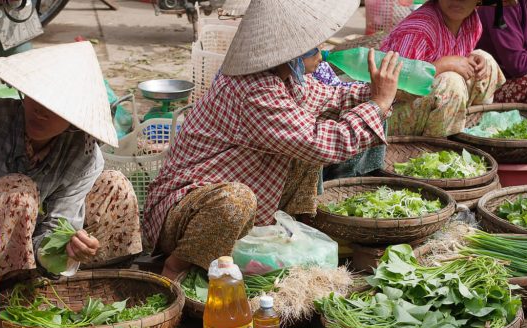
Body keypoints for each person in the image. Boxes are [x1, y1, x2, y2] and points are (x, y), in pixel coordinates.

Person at [142, 0, 402, 280]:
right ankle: (176, 266)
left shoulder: (286, 78)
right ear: (291, 54)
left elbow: (331, 98)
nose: (323, 53)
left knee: (310, 137)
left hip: (232, 192)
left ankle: (289, 230)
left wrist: (378, 92)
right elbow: (320, 143)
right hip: (187, 210)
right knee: (237, 200)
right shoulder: (254, 90)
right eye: (315, 48)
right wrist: (377, 104)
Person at [0, 41, 142, 281]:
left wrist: (65, 248)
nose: (41, 111)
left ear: (75, 120)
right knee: (19, 193)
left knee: (115, 186)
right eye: (37, 97)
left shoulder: (83, 156)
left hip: (24, 253)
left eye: (56, 107)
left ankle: (92, 287)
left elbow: (54, 228)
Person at [380, 0, 508, 137]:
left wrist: (469, 61)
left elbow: (459, 59)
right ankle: (436, 148)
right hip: (389, 115)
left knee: (485, 60)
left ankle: (471, 130)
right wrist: (442, 65)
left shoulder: (472, 22)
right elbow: (392, 90)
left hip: (434, 108)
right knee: (451, 81)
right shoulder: (419, 30)